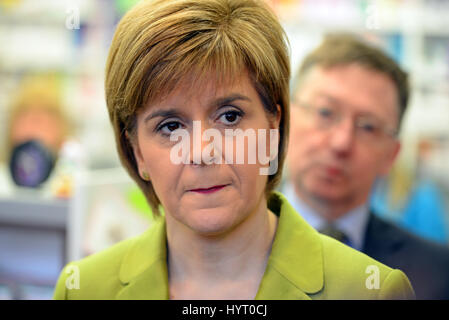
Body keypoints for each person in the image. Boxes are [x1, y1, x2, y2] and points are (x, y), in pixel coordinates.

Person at [53, 0, 414, 300]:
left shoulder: (369, 291)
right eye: (170, 126)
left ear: (274, 125)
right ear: (137, 152)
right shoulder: (84, 289)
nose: (202, 151)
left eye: (229, 116)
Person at [285, 33, 449, 299]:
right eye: (325, 113)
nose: (341, 142)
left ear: (391, 155)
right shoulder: (222, 248)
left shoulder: (437, 274)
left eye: (368, 127)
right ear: (287, 121)